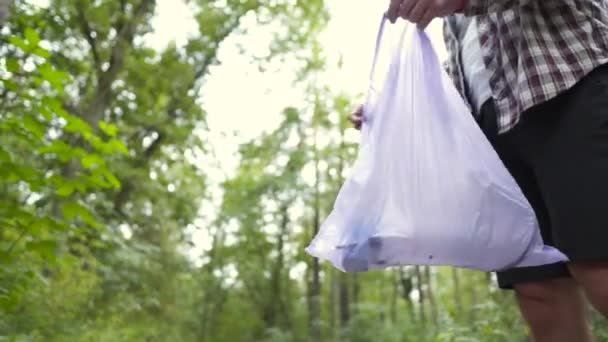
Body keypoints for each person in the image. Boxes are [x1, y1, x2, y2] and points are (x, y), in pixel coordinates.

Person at [351, 1, 608, 341]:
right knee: (538, 289)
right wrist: (396, 107)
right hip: (494, 128)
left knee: (598, 264)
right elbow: (473, 64)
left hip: (571, 85)